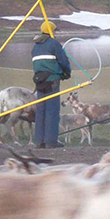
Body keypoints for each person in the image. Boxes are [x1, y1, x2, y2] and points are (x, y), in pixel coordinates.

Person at [31, 21, 71, 149]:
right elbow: (63, 61)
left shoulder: (35, 47)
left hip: (40, 82)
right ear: (51, 31)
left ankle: (39, 141)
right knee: (52, 111)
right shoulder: (54, 44)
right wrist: (66, 73)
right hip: (52, 80)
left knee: (40, 111)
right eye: (55, 31)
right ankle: (51, 141)